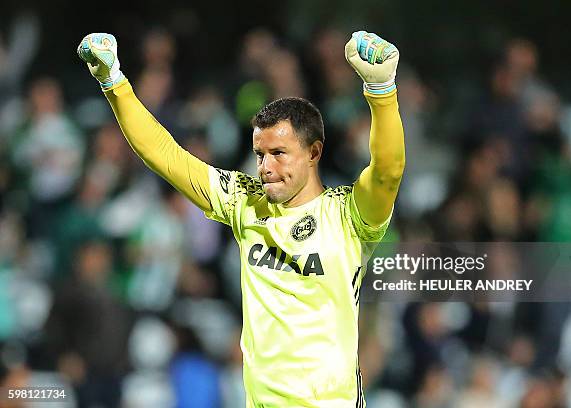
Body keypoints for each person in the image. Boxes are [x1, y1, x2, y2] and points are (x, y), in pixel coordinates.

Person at [77, 30, 404, 407]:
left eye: (280, 153)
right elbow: (164, 155)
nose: (265, 168)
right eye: (260, 154)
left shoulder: (348, 215)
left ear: (314, 153)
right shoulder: (244, 202)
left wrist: (382, 92)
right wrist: (113, 80)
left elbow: (387, 171)